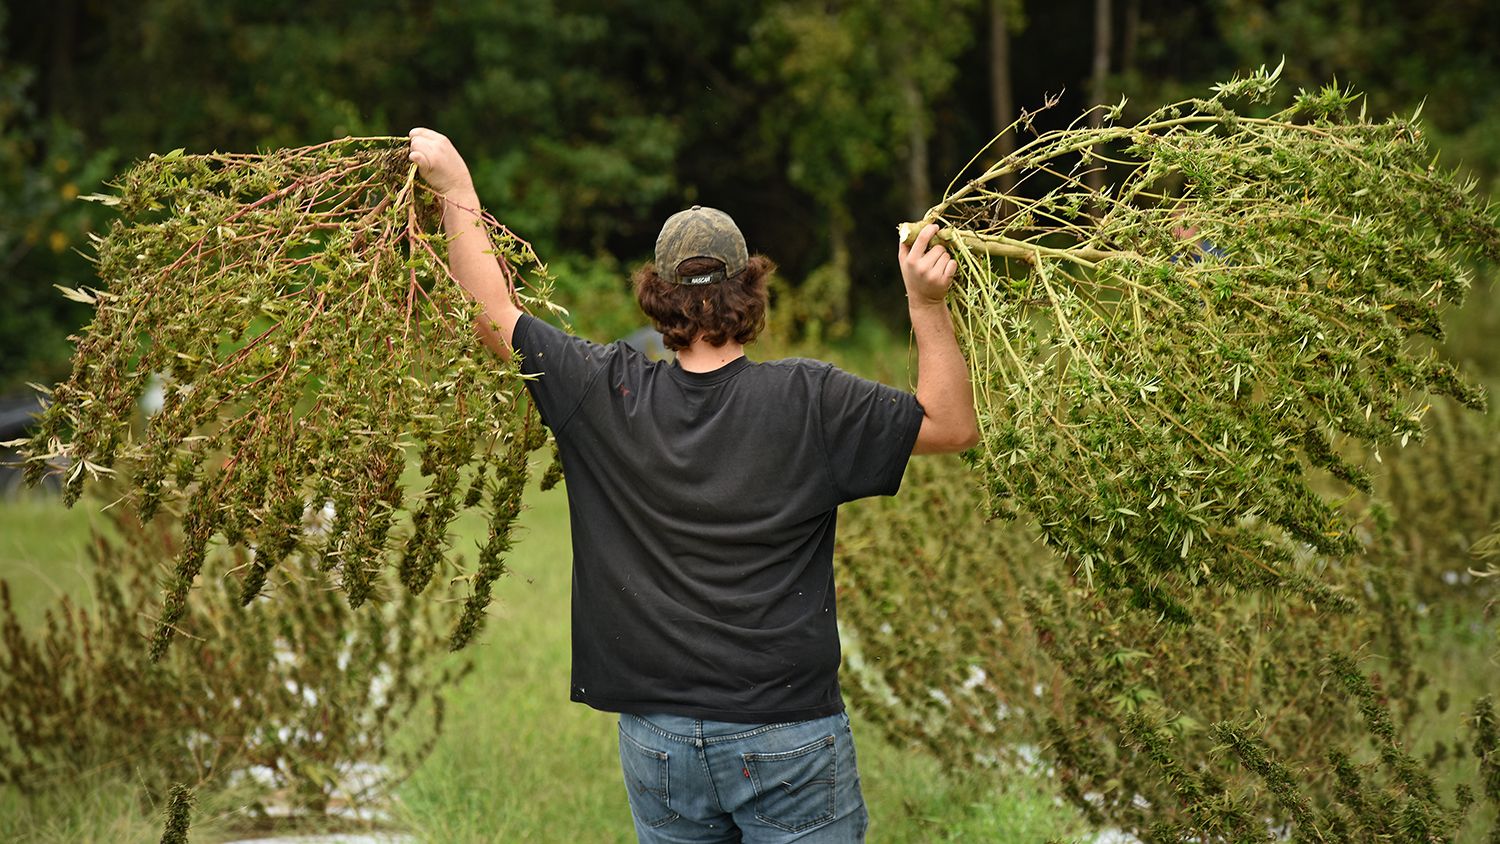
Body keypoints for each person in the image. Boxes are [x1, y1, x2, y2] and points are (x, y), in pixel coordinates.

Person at [408, 127, 978, 842]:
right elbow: (952, 425)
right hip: (790, 734)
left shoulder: (603, 391)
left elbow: (494, 312)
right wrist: (925, 303)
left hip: (660, 742)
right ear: (751, 290)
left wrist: (457, 189)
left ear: (657, 297)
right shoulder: (810, 399)